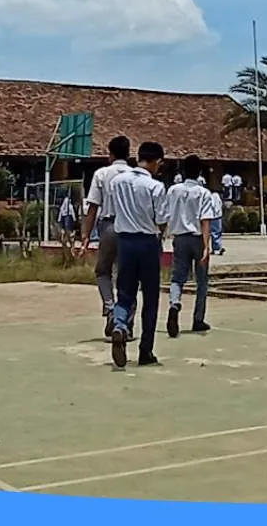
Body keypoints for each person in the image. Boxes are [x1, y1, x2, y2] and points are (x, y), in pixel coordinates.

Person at [109, 141, 170, 368]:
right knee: (151, 298)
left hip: (124, 241)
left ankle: (120, 325)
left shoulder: (117, 182)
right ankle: (146, 350)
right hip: (147, 242)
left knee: (125, 293)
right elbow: (161, 219)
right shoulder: (155, 186)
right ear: (156, 162)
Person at [76, 136, 133, 338]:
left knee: (103, 271)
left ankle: (110, 308)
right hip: (131, 228)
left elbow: (92, 207)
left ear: (110, 154)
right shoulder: (136, 175)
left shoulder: (102, 174)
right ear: (129, 153)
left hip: (108, 225)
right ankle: (126, 317)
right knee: (128, 275)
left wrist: (85, 236)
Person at [166, 156, 214, 338]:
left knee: (177, 277)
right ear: (200, 172)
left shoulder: (173, 190)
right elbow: (205, 220)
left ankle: (174, 302)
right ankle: (198, 318)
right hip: (196, 238)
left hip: (179, 237)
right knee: (202, 281)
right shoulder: (203, 193)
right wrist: (206, 245)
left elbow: (165, 214)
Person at [201, 176, 225, 255]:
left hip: (214, 215)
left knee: (215, 233)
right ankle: (217, 248)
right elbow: (217, 206)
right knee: (216, 233)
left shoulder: (211, 195)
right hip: (216, 216)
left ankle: (217, 247)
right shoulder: (214, 196)